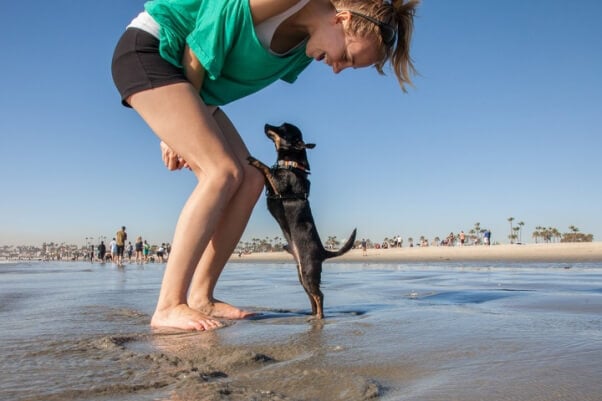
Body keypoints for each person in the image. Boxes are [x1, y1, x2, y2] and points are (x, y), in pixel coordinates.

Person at [111, 0, 419, 331]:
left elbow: (229, 76)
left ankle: (202, 296)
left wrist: (189, 115)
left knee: (251, 179)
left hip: (193, 87)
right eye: (347, 56)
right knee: (222, 172)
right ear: (341, 19)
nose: (337, 68)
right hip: (156, 49)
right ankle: (169, 305)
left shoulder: (304, 51)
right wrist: (173, 131)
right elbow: (203, 38)